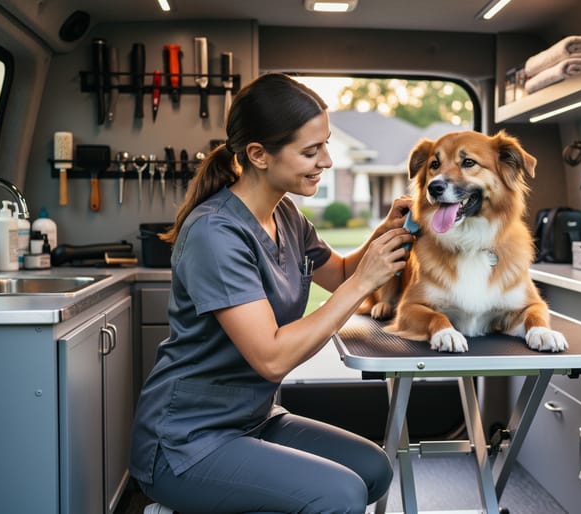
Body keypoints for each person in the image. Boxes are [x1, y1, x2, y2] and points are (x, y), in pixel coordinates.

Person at [129, 72, 414, 514]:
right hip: (186, 441)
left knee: (374, 470)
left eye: (325, 145)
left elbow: (339, 273)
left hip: (253, 419)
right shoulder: (215, 233)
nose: (327, 161)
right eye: (311, 151)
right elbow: (272, 358)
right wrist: (364, 282)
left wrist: (384, 234)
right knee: (340, 496)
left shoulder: (286, 215)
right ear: (259, 155)